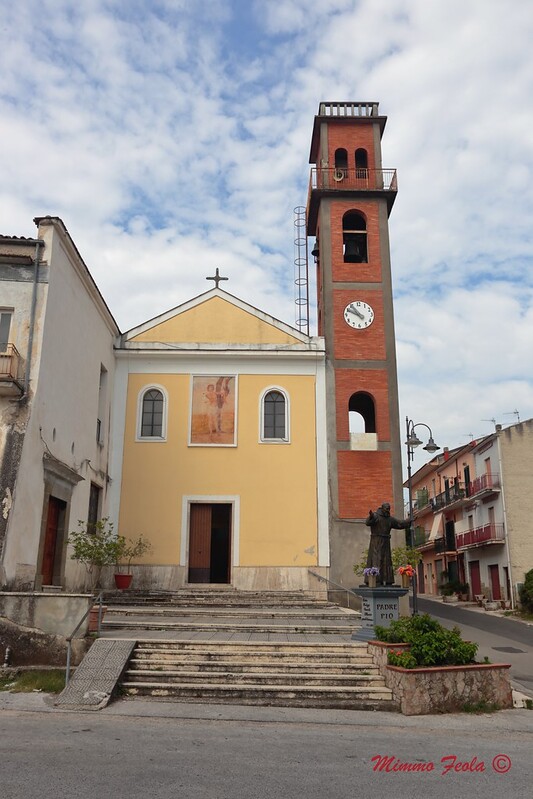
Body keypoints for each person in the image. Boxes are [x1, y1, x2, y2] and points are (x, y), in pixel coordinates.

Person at [365, 503, 411, 585]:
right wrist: (371, 517)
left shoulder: (389, 519)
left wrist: (408, 521)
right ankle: (376, 580)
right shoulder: (376, 516)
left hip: (386, 542)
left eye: (389, 509)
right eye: (386, 508)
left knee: (387, 561)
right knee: (376, 560)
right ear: (382, 508)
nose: (388, 510)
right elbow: (368, 522)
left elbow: (399, 523)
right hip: (376, 542)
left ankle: (388, 580)